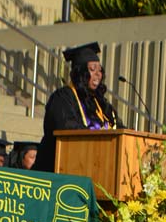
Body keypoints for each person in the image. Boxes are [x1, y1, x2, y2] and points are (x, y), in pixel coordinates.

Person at [34, 42, 123, 172]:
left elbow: (117, 127)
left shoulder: (101, 103)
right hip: (57, 170)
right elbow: (66, 127)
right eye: (92, 69)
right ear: (81, 73)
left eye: (99, 70)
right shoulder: (62, 98)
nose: (98, 74)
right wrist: (98, 134)